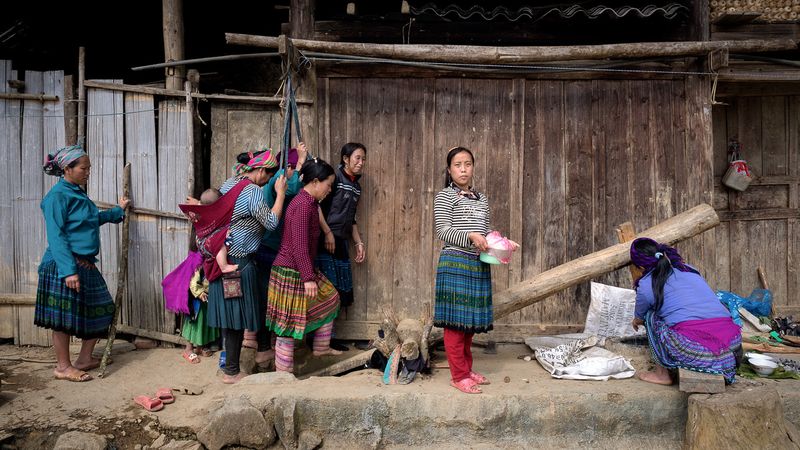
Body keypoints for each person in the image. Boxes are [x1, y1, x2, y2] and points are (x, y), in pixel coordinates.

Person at [36, 145, 129, 382]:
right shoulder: (57, 197)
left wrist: (118, 211)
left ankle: (84, 358)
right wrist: (68, 272)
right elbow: (56, 236)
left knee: (103, 309)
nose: (88, 172)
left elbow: (89, 220)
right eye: (83, 168)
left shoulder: (76, 193)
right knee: (63, 317)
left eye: (89, 168)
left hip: (84, 264)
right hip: (63, 265)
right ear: (67, 169)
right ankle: (63, 367)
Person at [433, 146, 517, 394]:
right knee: (455, 323)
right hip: (455, 263)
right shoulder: (444, 197)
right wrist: (470, 236)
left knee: (468, 323)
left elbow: (486, 233)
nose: (463, 169)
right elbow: (443, 231)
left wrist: (502, 244)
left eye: (467, 164)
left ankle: (467, 370)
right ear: (449, 170)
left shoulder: (482, 199)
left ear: (473, 167)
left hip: (476, 265)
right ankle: (458, 376)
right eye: (457, 165)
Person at [201, 149, 288, 383]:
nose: (269, 180)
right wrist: (280, 194)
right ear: (260, 171)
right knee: (236, 318)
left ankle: (231, 365)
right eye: (269, 176)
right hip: (238, 263)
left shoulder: (229, 183)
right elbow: (270, 223)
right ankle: (231, 371)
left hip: (223, 257)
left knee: (230, 316)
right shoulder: (253, 193)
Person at [265, 158, 342, 373]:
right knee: (287, 325)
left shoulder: (309, 203)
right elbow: (299, 246)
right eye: (328, 184)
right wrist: (308, 277)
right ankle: (283, 375)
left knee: (330, 298)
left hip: (299, 268)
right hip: (291, 270)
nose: (329, 190)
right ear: (316, 182)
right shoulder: (302, 206)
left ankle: (320, 349)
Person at [630, 237, 742, 385]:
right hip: (733, 345)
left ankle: (662, 374)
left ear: (640, 268)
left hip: (698, 351)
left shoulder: (646, 284)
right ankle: (722, 364)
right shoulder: (689, 269)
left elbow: (639, 317)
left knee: (650, 315)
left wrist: (638, 319)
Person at [317, 142, 367, 350]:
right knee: (327, 290)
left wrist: (358, 242)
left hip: (341, 241)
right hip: (325, 241)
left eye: (363, 159)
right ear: (345, 159)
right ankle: (321, 341)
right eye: (357, 158)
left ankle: (329, 337)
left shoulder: (356, 186)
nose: (361, 162)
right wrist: (327, 232)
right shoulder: (334, 178)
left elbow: (352, 218)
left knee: (339, 291)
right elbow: (316, 206)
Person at [180, 266, 220, 364]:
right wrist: (200, 292)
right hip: (197, 300)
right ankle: (188, 349)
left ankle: (199, 348)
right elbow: (193, 282)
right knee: (194, 323)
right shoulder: (198, 265)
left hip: (208, 298)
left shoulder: (214, 262)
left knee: (205, 322)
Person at [197, 188, 238, 274]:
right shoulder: (215, 211)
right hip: (210, 243)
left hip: (201, 240)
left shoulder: (201, 210)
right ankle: (224, 266)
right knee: (221, 245)